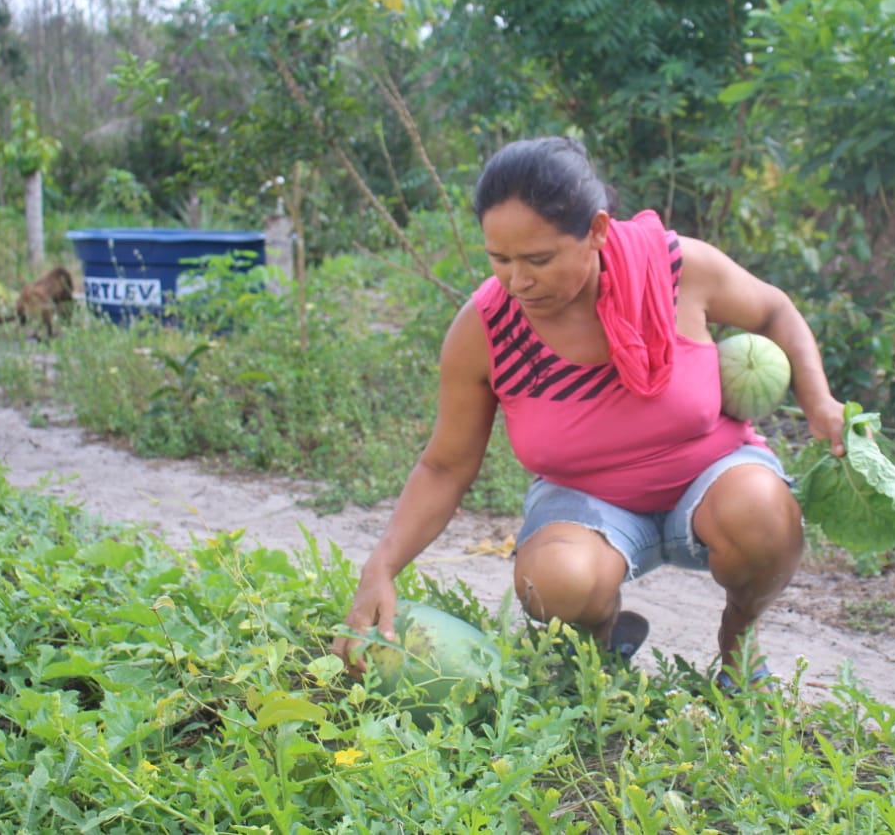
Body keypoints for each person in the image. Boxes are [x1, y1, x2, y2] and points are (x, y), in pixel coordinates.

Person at [332, 136, 846, 689]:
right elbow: (445, 466)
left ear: (597, 232)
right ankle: (598, 657)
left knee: (765, 515)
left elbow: (773, 310)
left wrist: (818, 401)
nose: (517, 281)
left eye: (539, 259)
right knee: (556, 583)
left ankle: (738, 646)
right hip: (586, 503)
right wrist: (380, 567)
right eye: (499, 259)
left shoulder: (675, 271)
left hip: (712, 476)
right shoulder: (485, 328)